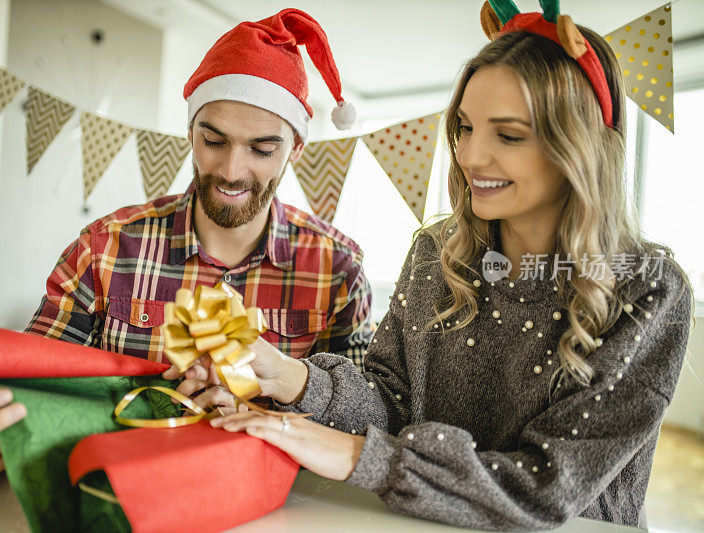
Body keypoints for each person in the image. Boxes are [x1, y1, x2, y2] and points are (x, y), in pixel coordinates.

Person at [200, 2, 694, 529]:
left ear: (577, 147)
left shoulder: (648, 291)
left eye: (508, 135)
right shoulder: (437, 255)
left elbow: (548, 487)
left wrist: (355, 456)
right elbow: (390, 402)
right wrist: (291, 377)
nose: (471, 156)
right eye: (464, 127)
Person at [0, 8, 374, 479]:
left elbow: (361, 429)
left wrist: (260, 419)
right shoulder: (104, 248)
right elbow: (30, 385)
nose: (231, 170)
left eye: (262, 150)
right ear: (189, 132)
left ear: (296, 149)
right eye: (213, 141)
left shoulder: (338, 269)